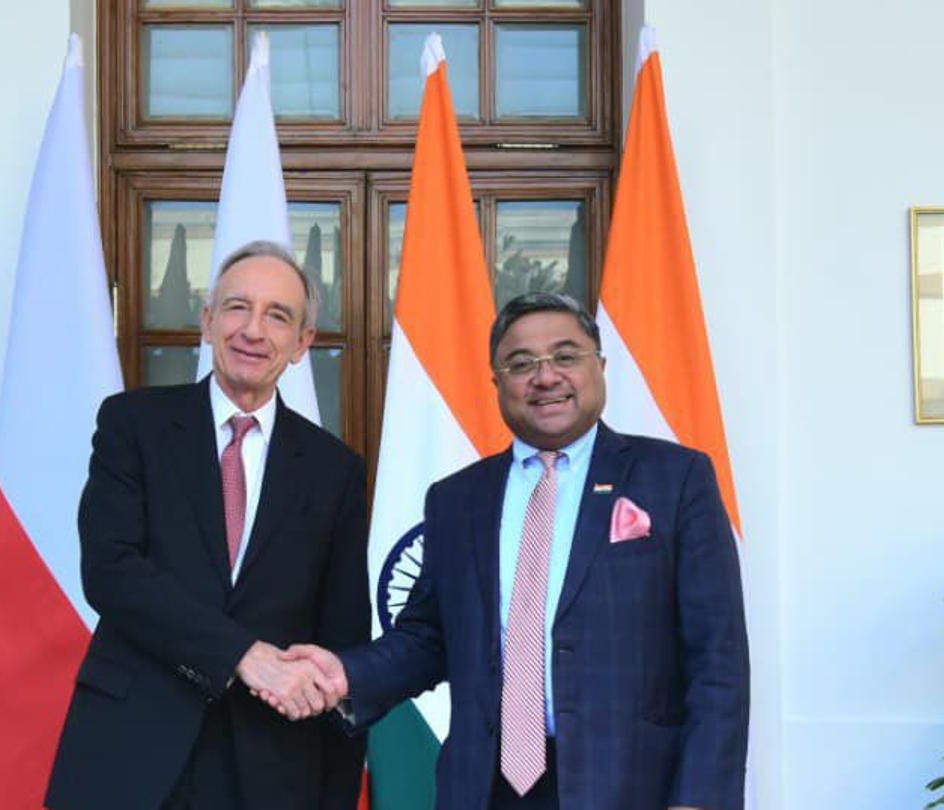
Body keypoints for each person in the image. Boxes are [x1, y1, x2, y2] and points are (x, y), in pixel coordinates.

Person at [278, 292, 749, 810]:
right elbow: (428, 636)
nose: (545, 378)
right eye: (521, 364)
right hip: (484, 789)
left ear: (601, 366)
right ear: (497, 381)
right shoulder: (457, 500)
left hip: (630, 788)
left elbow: (718, 661)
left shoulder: (675, 480)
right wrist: (344, 674)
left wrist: (700, 799)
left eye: (566, 357)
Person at [45, 241, 370, 810]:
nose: (253, 329)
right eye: (237, 307)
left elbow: (339, 635)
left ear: (302, 343)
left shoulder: (334, 469)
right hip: (133, 747)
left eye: (278, 315)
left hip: (272, 763)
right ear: (207, 321)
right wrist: (243, 653)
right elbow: (111, 571)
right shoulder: (133, 424)